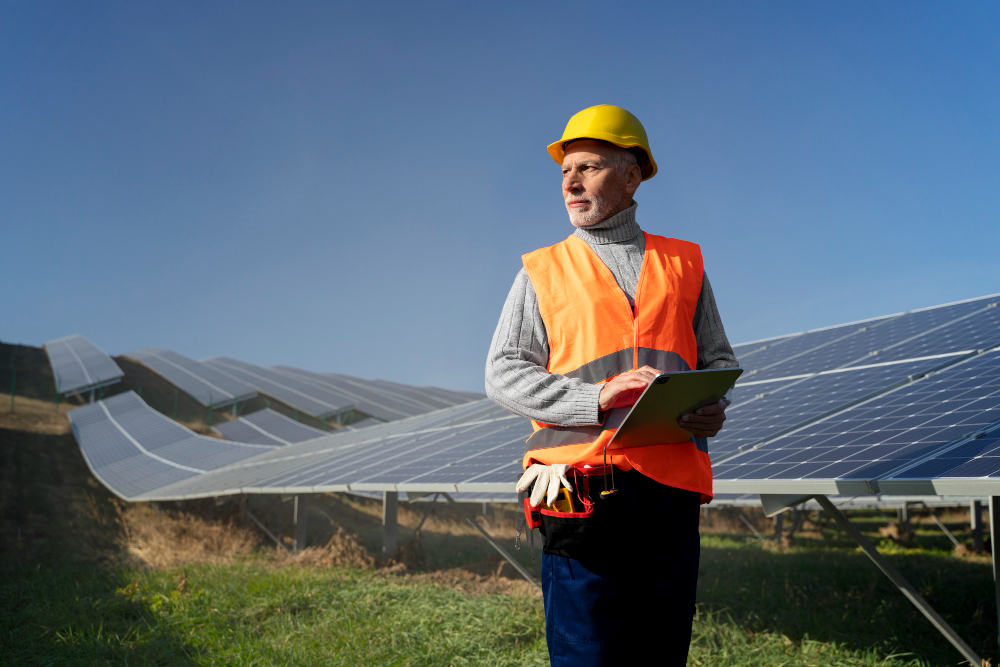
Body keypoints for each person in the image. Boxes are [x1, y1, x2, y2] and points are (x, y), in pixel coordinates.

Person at [485, 104, 739, 666]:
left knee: (662, 648)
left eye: (588, 168)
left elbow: (717, 360)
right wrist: (595, 398)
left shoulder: (685, 264)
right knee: (588, 652)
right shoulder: (542, 270)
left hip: (669, 491)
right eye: (564, 171)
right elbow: (502, 373)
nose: (570, 183)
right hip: (579, 486)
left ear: (632, 175)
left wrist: (711, 408)